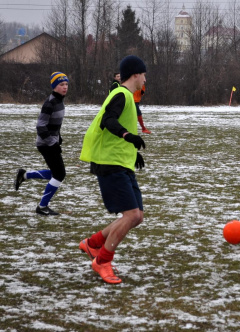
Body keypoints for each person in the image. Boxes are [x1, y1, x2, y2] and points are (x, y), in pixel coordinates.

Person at [79, 55, 147, 284]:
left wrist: (132, 150)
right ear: (135, 74)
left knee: (137, 216)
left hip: (120, 161)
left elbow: (118, 126)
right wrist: (128, 136)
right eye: (144, 74)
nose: (145, 80)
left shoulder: (125, 95)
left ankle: (93, 244)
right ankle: (102, 261)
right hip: (109, 163)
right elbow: (108, 120)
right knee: (132, 215)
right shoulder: (120, 94)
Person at [14, 72, 69, 216]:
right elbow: (41, 126)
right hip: (46, 144)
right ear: (54, 86)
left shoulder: (60, 101)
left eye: (66, 84)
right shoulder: (50, 103)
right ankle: (42, 207)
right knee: (59, 174)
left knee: (55, 173)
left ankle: (25, 175)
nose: (65, 87)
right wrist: (53, 142)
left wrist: (58, 137)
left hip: (51, 142)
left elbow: (53, 124)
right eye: (61, 84)